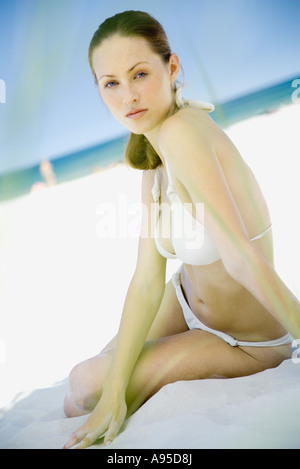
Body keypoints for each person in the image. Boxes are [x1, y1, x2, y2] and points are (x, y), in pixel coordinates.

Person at [63, 10, 300, 449]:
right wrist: (115, 391)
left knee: (84, 386)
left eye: (140, 74)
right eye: (111, 83)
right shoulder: (151, 157)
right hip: (185, 300)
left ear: (171, 68)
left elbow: (241, 259)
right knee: (90, 387)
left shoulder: (182, 134)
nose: (128, 95)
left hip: (245, 339)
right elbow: (147, 280)